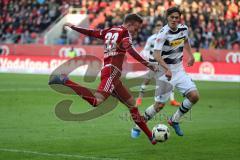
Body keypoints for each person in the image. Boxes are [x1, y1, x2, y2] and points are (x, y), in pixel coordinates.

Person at [49, 13, 158, 145]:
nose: (137, 31)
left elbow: (92, 33)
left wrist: (74, 27)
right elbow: (131, 50)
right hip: (112, 72)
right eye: (136, 28)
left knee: (132, 105)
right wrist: (148, 64)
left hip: (111, 74)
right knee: (97, 101)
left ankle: (150, 136)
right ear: (130, 24)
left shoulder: (110, 30)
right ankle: (65, 81)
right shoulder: (125, 33)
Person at [131, 7, 199, 137]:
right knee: (159, 106)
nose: (174, 19)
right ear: (167, 17)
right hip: (164, 72)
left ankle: (174, 120)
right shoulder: (163, 33)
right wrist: (166, 69)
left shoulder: (184, 29)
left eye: (176, 17)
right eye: (171, 17)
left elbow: (186, 41)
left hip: (179, 70)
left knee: (194, 96)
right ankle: (138, 126)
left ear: (179, 18)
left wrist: (190, 55)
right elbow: (156, 55)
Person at [136, 21, 181, 107]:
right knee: (147, 80)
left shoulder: (167, 39)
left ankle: (172, 100)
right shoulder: (151, 39)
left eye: (160, 26)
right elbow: (145, 50)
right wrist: (149, 61)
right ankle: (139, 98)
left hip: (163, 63)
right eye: (157, 26)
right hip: (153, 63)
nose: (159, 28)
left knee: (169, 80)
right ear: (155, 29)